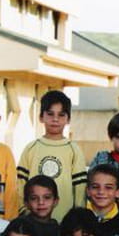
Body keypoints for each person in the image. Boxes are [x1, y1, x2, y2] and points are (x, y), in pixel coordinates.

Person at [16, 90, 87, 222]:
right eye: (50, 114)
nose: (55, 119)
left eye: (61, 115)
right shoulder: (31, 148)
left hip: (65, 223)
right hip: (33, 222)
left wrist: (77, 218)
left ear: (68, 119)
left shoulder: (74, 150)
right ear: (41, 117)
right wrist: (24, 211)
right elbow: (20, 184)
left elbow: (80, 188)